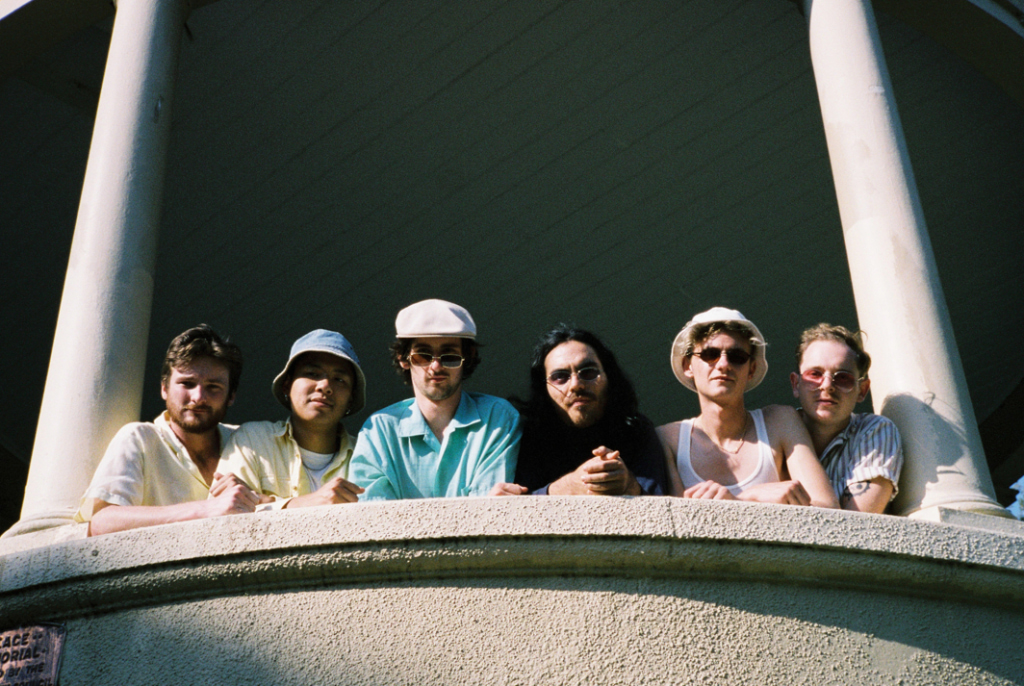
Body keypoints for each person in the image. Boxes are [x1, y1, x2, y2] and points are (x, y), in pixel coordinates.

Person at [75, 325, 258, 535]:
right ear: (164, 388)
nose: (198, 397)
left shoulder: (246, 441)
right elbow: (102, 522)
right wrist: (205, 509)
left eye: (213, 387)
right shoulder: (140, 438)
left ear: (231, 395)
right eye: (187, 383)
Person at [657, 307, 838, 508]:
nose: (723, 364)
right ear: (687, 366)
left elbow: (829, 508)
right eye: (710, 354)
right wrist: (747, 499)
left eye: (737, 356)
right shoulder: (669, 439)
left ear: (751, 369)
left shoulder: (779, 422)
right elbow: (674, 520)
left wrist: (743, 499)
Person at [348, 299, 521, 499]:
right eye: (423, 355)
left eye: (449, 355)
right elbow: (375, 514)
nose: (436, 366)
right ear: (403, 358)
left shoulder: (498, 418)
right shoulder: (379, 430)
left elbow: (489, 511)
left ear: (469, 357)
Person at [501, 325, 667, 495]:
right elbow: (518, 502)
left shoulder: (636, 430)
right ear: (543, 388)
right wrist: (567, 487)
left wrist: (628, 484)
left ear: (609, 377)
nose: (576, 385)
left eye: (588, 372)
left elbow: (661, 502)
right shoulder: (528, 438)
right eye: (560, 377)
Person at [218, 330, 366, 508]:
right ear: (287, 385)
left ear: (351, 398)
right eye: (312, 373)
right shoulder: (253, 440)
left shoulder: (366, 455)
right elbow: (224, 513)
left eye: (339, 379)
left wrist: (266, 504)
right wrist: (301, 503)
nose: (325, 386)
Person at [791, 323, 903, 513]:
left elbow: (855, 524)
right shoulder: (771, 429)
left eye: (843, 377)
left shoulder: (874, 431)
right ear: (796, 384)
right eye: (815, 374)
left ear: (862, 390)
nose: (827, 385)